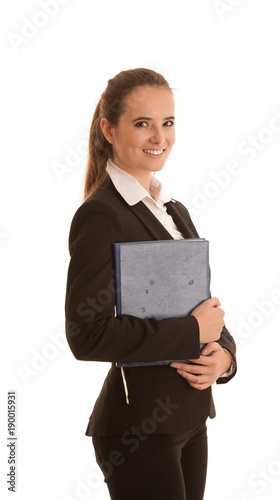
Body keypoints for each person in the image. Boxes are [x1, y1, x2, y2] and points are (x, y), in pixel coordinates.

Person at [65, 67, 237, 500]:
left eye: (168, 122)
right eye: (142, 123)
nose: (159, 137)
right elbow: (87, 335)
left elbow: (202, 308)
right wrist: (191, 333)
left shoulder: (173, 211)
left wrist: (226, 359)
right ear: (109, 129)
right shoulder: (102, 215)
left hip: (190, 419)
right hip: (138, 429)